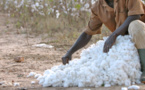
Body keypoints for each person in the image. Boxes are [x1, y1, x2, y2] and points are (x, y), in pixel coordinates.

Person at [62, 0, 145, 83]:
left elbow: (135, 15)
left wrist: (114, 34)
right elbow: (88, 33)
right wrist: (70, 52)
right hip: (129, 42)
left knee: (135, 25)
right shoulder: (98, 7)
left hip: (142, 35)